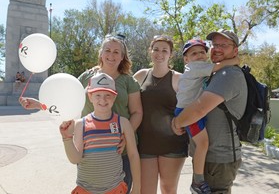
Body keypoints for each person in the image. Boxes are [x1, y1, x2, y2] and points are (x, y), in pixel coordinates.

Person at [19, 34, 143, 193]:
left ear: (122, 56)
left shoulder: (128, 81)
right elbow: (67, 101)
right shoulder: (86, 77)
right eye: (108, 50)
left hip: (120, 150)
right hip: (89, 148)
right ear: (101, 53)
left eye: (116, 52)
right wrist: (39, 104)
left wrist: (125, 137)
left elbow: (137, 112)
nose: (111, 55)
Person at [172, 29, 247, 194]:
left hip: (218, 160)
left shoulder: (228, 74)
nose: (218, 48)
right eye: (215, 44)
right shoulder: (212, 72)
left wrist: (177, 122)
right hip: (210, 158)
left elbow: (198, 109)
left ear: (235, 51)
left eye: (224, 45)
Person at [59, 73, 141, 194]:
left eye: (108, 95)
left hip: (115, 189)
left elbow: (133, 155)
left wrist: (137, 188)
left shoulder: (123, 123)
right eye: (97, 95)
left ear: (114, 97)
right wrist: (66, 138)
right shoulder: (80, 125)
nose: (102, 100)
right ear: (90, 97)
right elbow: (75, 159)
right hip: (86, 190)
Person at [133, 35, 189, 194]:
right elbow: (122, 91)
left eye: (165, 50)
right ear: (150, 51)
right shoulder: (140, 76)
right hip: (145, 144)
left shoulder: (179, 78)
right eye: (156, 49)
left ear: (170, 54)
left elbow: (193, 106)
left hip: (173, 145)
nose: (160, 53)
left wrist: (181, 122)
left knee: (168, 190)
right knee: (146, 191)